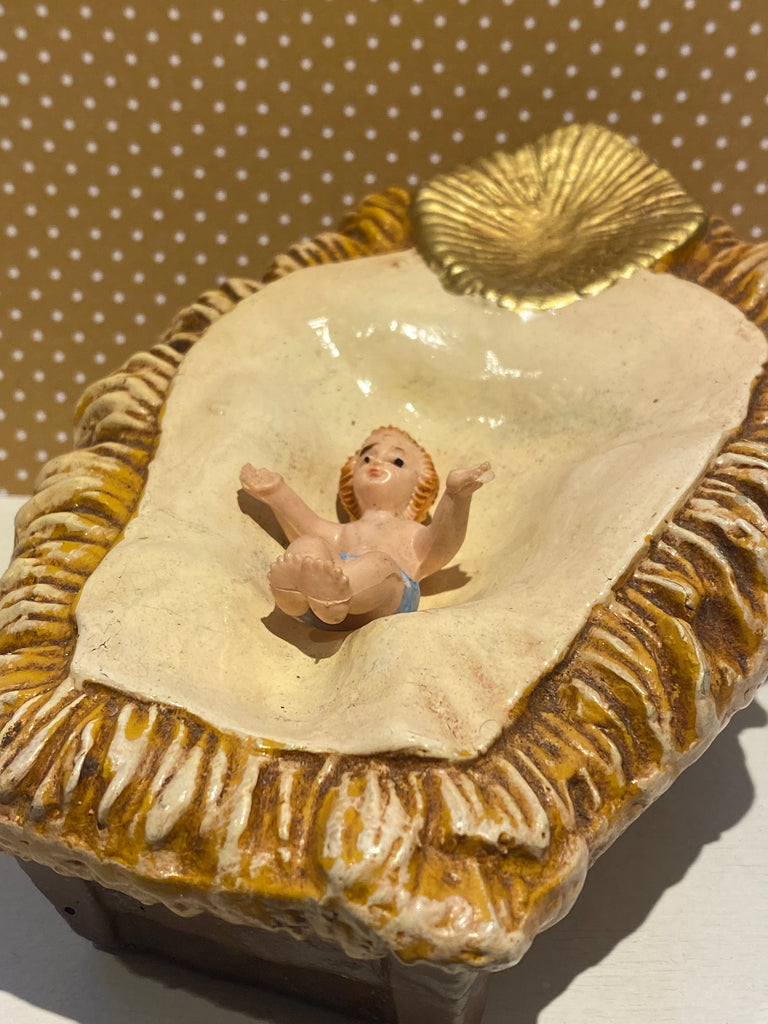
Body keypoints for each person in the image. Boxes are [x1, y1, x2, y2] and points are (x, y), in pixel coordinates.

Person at [240, 426, 492, 629]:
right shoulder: (344, 531)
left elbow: (441, 545)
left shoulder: (412, 533)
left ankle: (339, 592)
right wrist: (275, 490)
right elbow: (307, 525)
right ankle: (295, 597)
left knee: (380, 564)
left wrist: (456, 495)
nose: (376, 463)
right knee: (308, 544)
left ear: (421, 483)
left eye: (397, 461)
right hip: (320, 604)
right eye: (367, 458)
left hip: (388, 599)